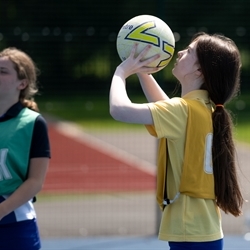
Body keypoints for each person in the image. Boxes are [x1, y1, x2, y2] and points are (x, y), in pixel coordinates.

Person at [109, 32, 244, 249]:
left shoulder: (182, 111)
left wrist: (120, 73)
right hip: (204, 229)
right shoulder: (205, 108)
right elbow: (165, 106)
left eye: (189, 51)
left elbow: (119, 110)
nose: (179, 52)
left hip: (188, 230)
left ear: (199, 70)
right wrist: (143, 72)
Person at [0, 47, 50, 249]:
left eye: (2, 71)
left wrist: (2, 210)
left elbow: (35, 181)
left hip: (16, 225)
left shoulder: (32, 123)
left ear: (22, 83)